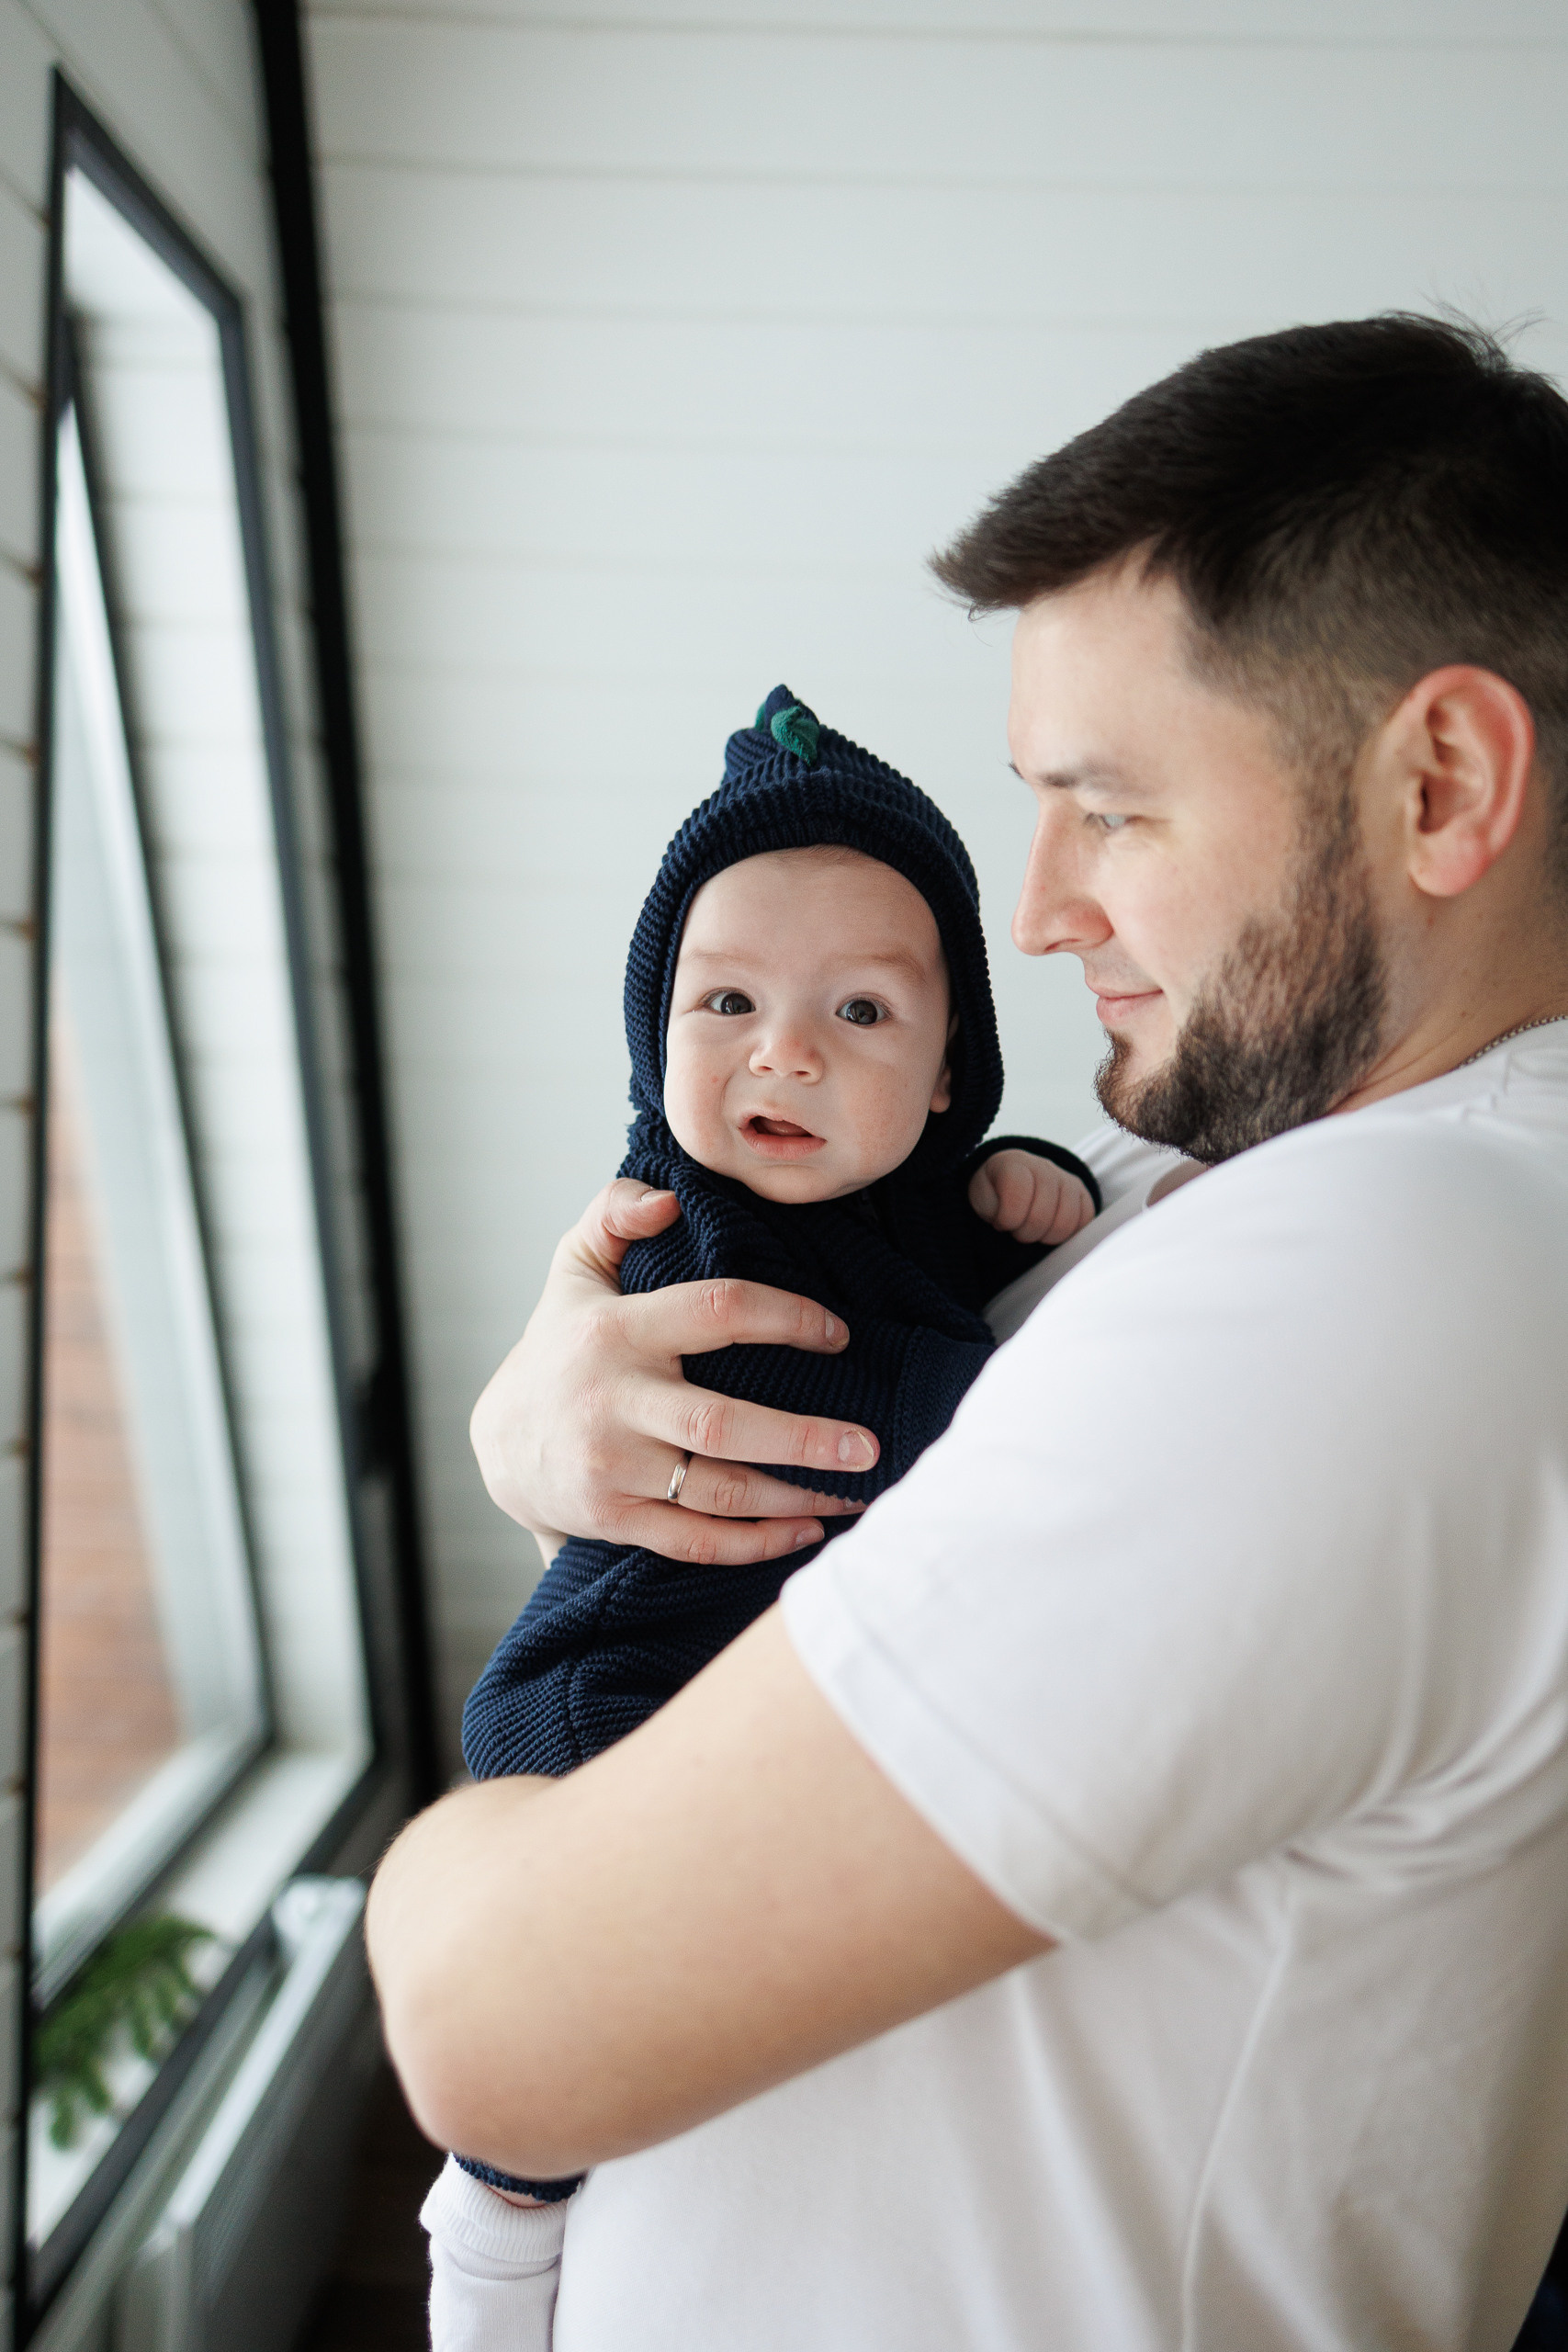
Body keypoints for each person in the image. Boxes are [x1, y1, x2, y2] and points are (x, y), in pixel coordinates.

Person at [371, 314, 1568, 2352]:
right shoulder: (1283, 1192)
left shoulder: (1381, 1275)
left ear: (1437, 783)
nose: (1037, 912)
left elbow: (494, 2026)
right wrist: (542, 1420)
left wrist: (454, 1858)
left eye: (1106, 809)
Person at [441, 690, 1095, 2231]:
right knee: (554, 1990)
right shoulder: (671, 1207)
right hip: (628, 1652)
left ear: (947, 1079)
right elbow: (558, 1384)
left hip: (802, 1686)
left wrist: (1035, 1177)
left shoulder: (938, 1205)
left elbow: (999, 1214)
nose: (783, 1057)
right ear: (654, 1042)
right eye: (724, 1006)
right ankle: (495, 2239)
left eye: (858, 1014)